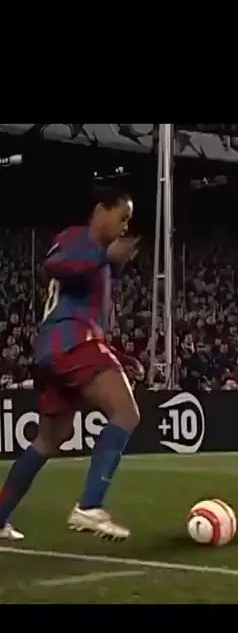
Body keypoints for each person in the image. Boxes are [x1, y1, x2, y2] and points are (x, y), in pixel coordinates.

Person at [0, 186, 142, 542]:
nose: (126, 226)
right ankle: (90, 506)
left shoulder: (100, 261)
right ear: (101, 210)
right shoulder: (78, 238)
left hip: (60, 347)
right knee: (126, 412)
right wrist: (104, 256)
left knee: (48, 440)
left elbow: (88, 314)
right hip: (70, 342)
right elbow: (54, 265)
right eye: (122, 216)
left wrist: (120, 356)